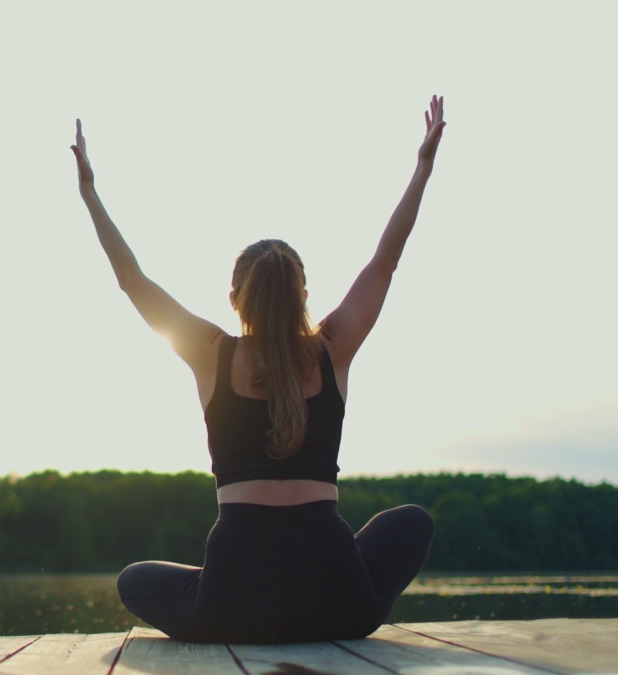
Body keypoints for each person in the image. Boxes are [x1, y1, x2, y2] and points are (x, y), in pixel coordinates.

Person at [70, 96, 446, 644]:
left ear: (235, 299)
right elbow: (386, 260)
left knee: (135, 581)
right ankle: (275, 589)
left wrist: (90, 194)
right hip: (340, 603)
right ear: (303, 297)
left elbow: (132, 279)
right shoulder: (333, 347)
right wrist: (422, 169)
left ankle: (220, 583)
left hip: (232, 610)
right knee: (413, 521)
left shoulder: (211, 352)